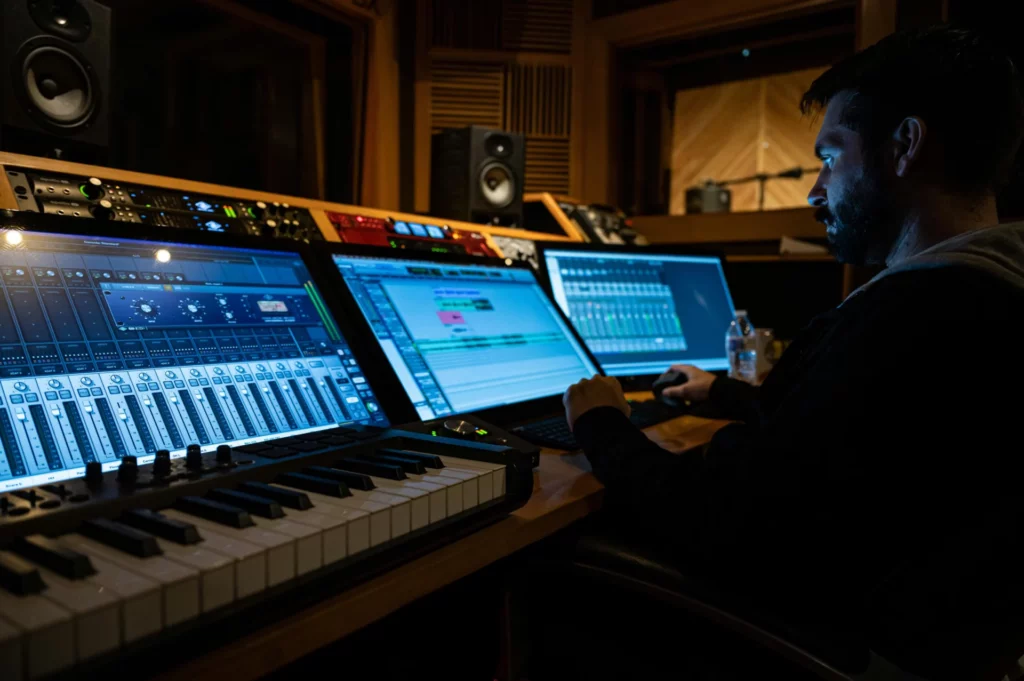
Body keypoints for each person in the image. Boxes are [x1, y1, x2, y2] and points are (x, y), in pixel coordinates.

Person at [562, 25, 1024, 680]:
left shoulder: (916, 314)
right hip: (939, 636)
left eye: (830, 157)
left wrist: (599, 423)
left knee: (558, 562)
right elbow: (850, 438)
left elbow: (725, 520)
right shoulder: (987, 293)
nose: (815, 191)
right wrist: (720, 392)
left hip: (842, 643)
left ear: (905, 144)